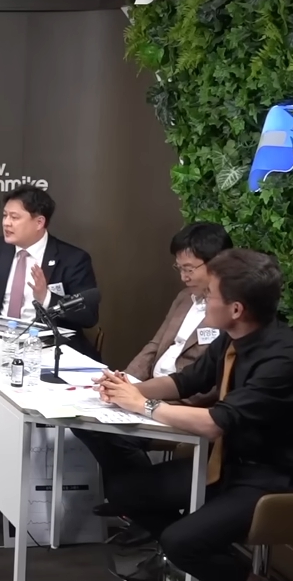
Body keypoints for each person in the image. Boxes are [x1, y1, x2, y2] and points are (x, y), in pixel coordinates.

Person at [96, 249, 293, 581]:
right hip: (229, 464)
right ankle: (207, 551)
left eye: (210, 295)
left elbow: (215, 423)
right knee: (124, 491)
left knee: (181, 543)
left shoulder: (283, 359)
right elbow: (186, 381)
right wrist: (125, 388)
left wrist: (142, 405)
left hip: (275, 478)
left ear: (236, 309)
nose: (203, 301)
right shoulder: (231, 339)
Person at [72, 222, 234, 531]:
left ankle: (144, 512)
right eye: (179, 268)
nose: (184, 276)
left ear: (217, 264)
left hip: (185, 406)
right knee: (85, 422)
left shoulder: (227, 312)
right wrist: (125, 382)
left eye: (190, 268)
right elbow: (155, 346)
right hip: (152, 391)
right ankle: (139, 508)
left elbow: (207, 384)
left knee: (110, 434)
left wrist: (142, 399)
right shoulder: (184, 298)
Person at [0, 184, 99, 359]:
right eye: (5, 215)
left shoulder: (72, 259)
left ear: (39, 222)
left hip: (46, 350)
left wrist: (46, 298)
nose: (6, 223)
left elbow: (89, 316)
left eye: (14, 217)